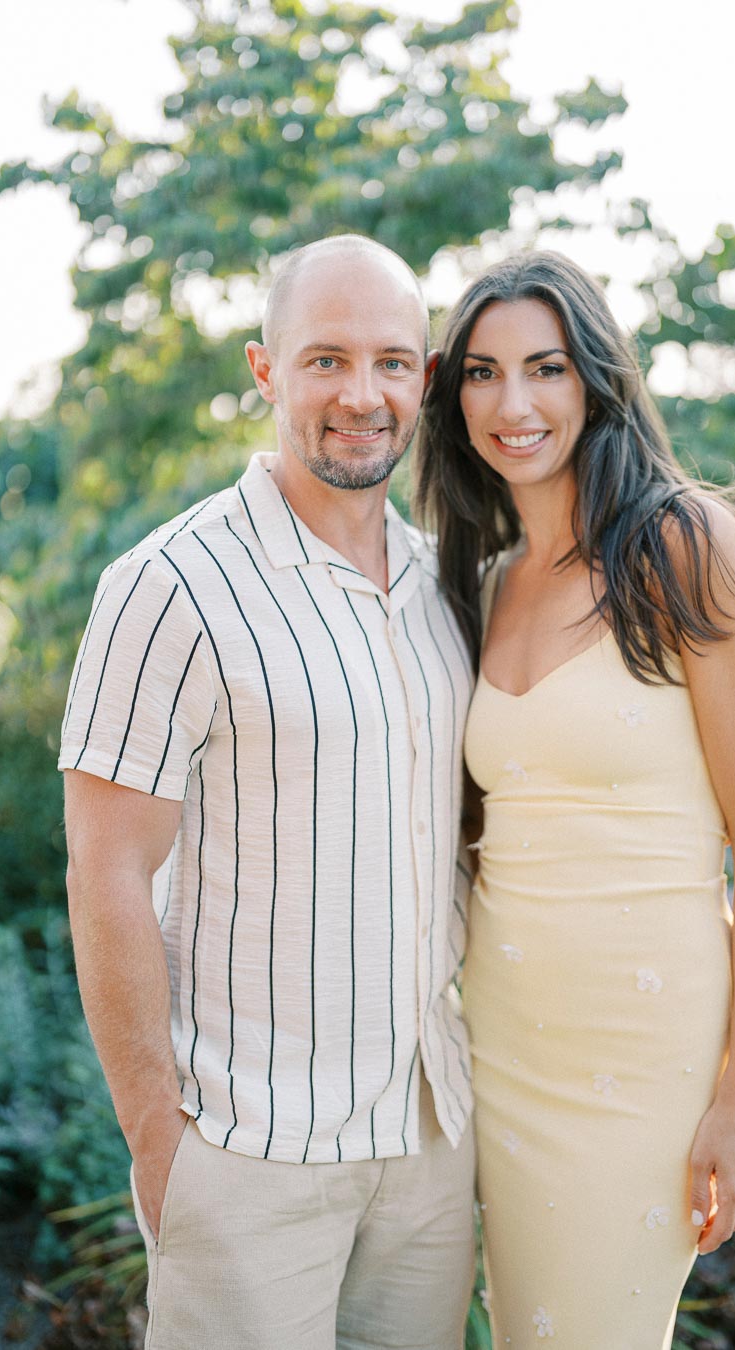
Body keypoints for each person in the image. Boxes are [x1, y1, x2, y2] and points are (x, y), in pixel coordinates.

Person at [59, 234, 476, 1350]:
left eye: (393, 361)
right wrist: (157, 1132)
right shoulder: (168, 586)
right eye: (324, 359)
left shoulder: (451, 588)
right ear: (264, 371)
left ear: (425, 381)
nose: (361, 393)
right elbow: (105, 869)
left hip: (430, 1145)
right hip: (247, 1155)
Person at [414, 251, 735, 1349]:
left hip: (644, 1056)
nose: (515, 403)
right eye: (482, 374)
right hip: (500, 1041)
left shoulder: (683, 545)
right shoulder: (483, 581)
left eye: (545, 367)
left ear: (595, 378)